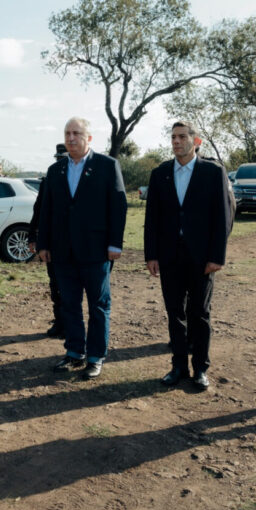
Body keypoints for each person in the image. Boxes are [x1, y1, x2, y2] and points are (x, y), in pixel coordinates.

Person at [37, 118, 127, 379]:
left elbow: (118, 206)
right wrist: (43, 243)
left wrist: (114, 244)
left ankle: (96, 357)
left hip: (96, 250)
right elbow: (47, 209)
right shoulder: (56, 170)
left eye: (76, 133)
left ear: (89, 138)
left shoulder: (107, 166)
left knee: (98, 305)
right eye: (67, 133)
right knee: (69, 304)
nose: (71, 138)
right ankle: (75, 352)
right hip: (63, 251)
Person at [144, 121, 232, 390]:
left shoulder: (212, 172)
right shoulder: (160, 174)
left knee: (200, 313)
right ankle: (178, 366)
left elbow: (222, 216)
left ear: (196, 141)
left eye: (182, 137)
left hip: (202, 258)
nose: (176, 141)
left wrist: (217, 256)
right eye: (173, 137)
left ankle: (201, 369)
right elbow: (152, 218)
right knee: (174, 313)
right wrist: (152, 255)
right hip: (170, 257)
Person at [28, 143, 67, 339]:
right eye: (59, 158)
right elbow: (39, 209)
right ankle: (59, 321)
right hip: (52, 241)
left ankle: (69, 323)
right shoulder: (49, 179)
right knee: (55, 284)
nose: (62, 162)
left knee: (70, 287)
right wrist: (33, 235)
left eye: (65, 158)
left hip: (73, 243)